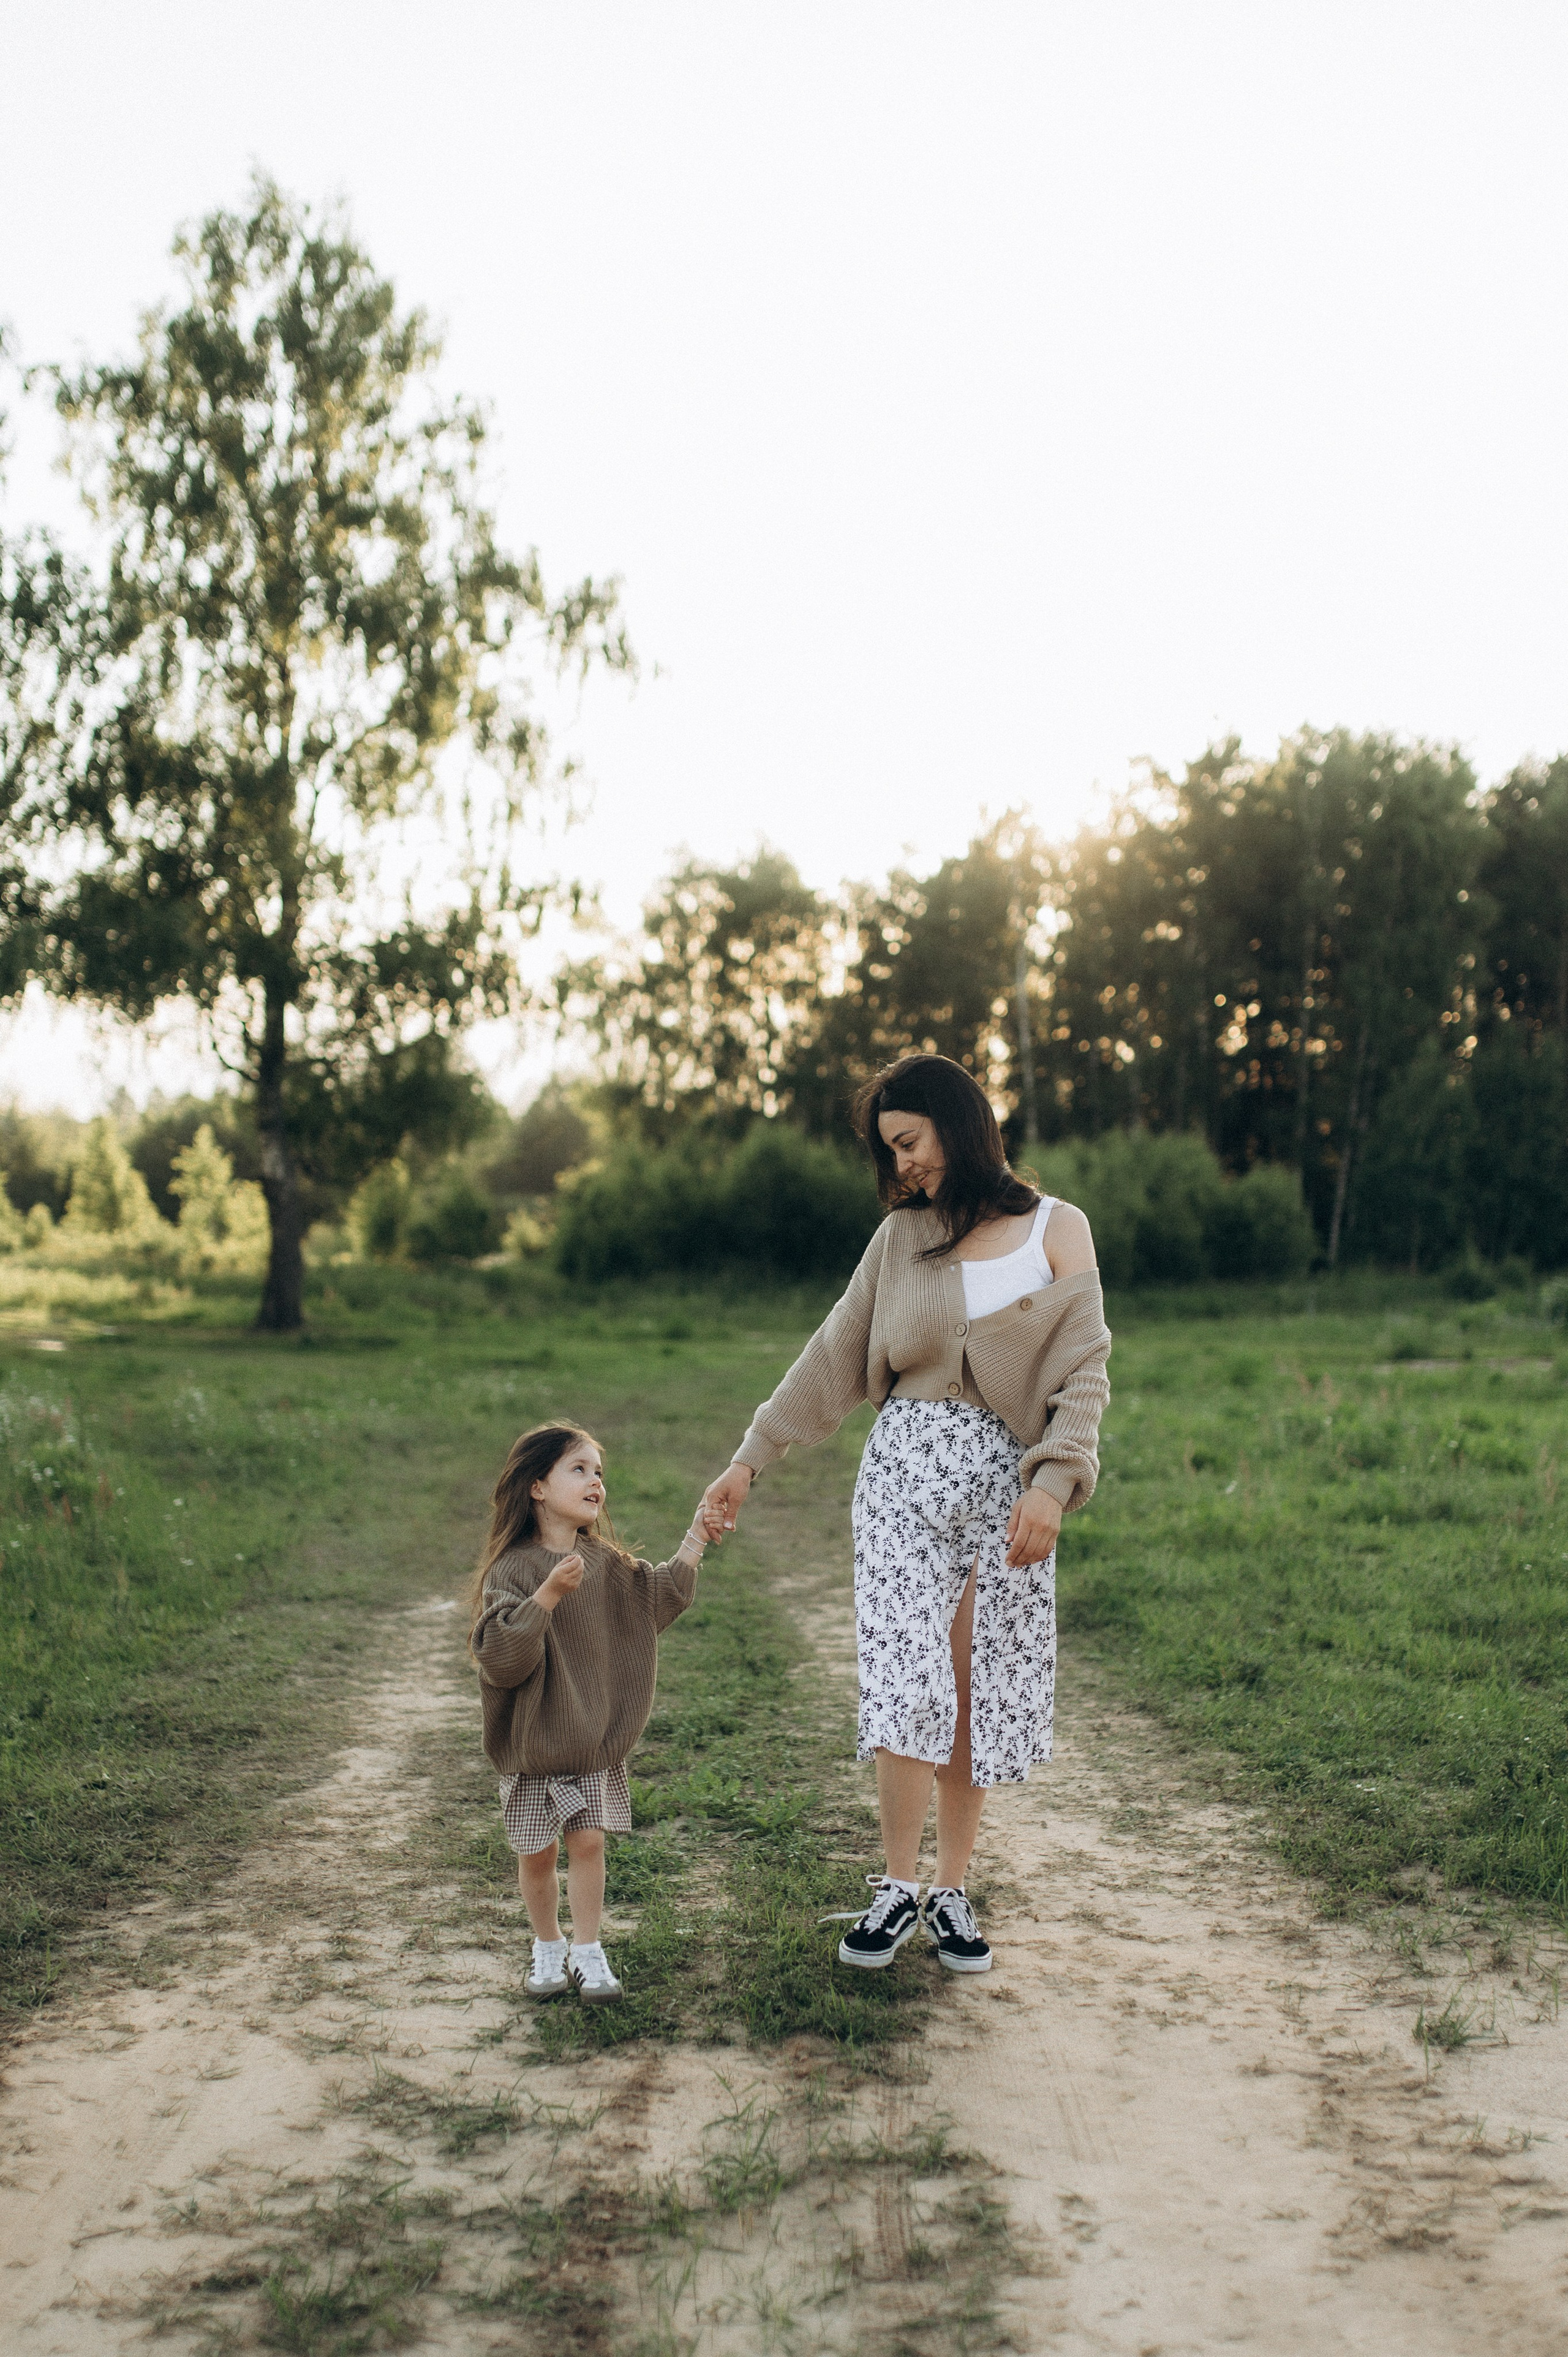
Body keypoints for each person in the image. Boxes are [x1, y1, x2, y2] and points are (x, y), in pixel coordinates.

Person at [702, 1054, 1110, 1977]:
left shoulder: (1057, 1227)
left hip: (1011, 1485)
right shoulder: (899, 1239)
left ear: (959, 1124)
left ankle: (951, 1891)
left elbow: (1085, 1367)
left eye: (911, 1143)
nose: (904, 1168)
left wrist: (1053, 1484)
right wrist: (748, 1461)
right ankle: (895, 1888)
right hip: (902, 1480)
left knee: (974, 1680)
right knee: (905, 1670)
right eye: (890, 1153)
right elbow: (835, 1351)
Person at [468, 1423, 718, 2003]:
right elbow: (501, 1659)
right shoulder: (514, 1570)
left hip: (591, 1743)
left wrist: (696, 1539)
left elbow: (656, 1599)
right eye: (578, 1469)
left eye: (598, 1472)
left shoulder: (603, 1562)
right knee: (538, 1856)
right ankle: (548, 1946)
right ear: (537, 1486)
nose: (595, 1481)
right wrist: (549, 1596)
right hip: (533, 1748)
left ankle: (588, 1948)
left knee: (588, 1845)